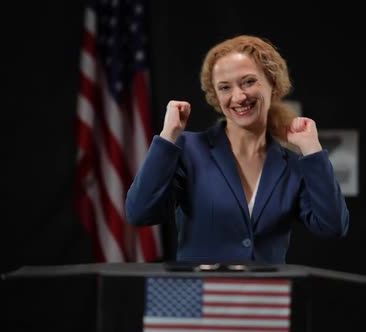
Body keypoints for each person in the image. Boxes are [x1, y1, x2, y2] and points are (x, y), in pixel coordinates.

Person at [125, 35, 349, 264]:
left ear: (272, 83)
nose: (239, 96)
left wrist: (312, 150)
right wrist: (168, 136)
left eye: (248, 82)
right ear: (215, 95)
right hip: (200, 296)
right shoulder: (189, 150)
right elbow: (140, 213)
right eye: (225, 87)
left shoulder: (293, 165)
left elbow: (332, 226)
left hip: (266, 298)